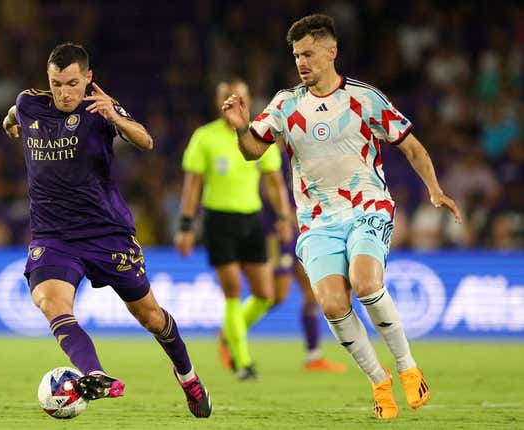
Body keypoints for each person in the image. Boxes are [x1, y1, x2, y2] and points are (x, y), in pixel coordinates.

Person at [222, 15, 461, 419]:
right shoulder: (285, 104)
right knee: (333, 304)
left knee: (365, 283)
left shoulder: (365, 98)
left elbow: (412, 147)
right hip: (316, 221)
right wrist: (240, 127)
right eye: (297, 55)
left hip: (367, 206)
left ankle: (407, 367)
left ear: (331, 52)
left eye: (309, 54)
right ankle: (379, 383)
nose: (301, 62)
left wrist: (435, 190)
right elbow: (251, 150)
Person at [2, 42, 211, 418]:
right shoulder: (30, 102)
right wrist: (10, 120)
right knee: (51, 303)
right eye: (56, 84)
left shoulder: (99, 109)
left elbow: (146, 141)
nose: (64, 93)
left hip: (107, 234)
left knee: (150, 316)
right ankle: (94, 373)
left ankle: (188, 377)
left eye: (72, 83)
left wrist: (116, 116)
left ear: (88, 78)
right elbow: (17, 110)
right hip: (53, 237)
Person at [174, 79, 293, 380]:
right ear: (218, 101)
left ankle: (229, 331)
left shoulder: (259, 135)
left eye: (238, 96)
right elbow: (192, 184)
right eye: (226, 96)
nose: (231, 101)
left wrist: (282, 217)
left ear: (248, 99)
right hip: (218, 222)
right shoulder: (205, 137)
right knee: (233, 291)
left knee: (265, 294)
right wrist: (186, 225)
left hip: (252, 221)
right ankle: (243, 362)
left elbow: (274, 181)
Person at [260, 149, 345, 373]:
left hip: (299, 229)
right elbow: (267, 188)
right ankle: (231, 331)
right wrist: (284, 217)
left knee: (311, 291)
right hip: (278, 231)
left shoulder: (303, 152)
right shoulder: (272, 155)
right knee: (276, 296)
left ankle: (313, 356)